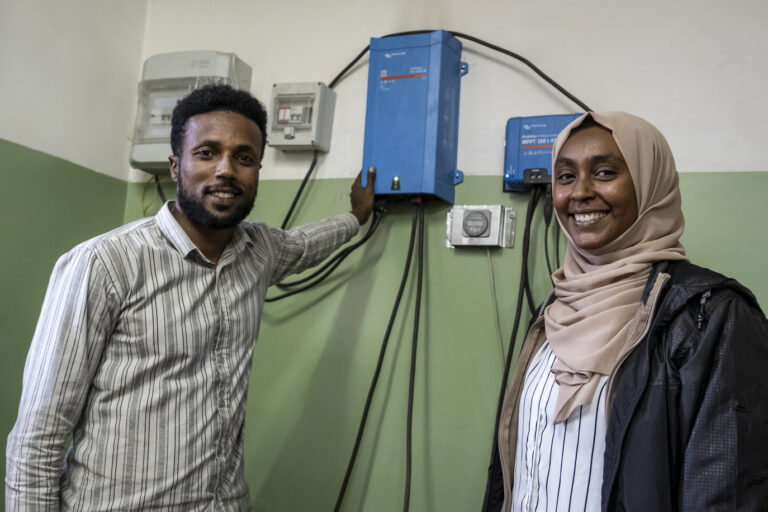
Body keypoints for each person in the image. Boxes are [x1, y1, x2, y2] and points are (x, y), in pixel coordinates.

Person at [6, 84, 376, 510]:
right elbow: (38, 439)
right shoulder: (104, 264)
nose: (226, 170)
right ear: (175, 165)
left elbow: (306, 244)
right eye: (206, 153)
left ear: (256, 170)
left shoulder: (260, 252)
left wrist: (356, 216)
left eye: (244, 158)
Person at [484, 112, 768, 511]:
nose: (579, 191)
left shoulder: (710, 315)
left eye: (603, 172)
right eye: (565, 177)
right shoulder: (555, 309)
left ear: (651, 184)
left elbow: (729, 492)